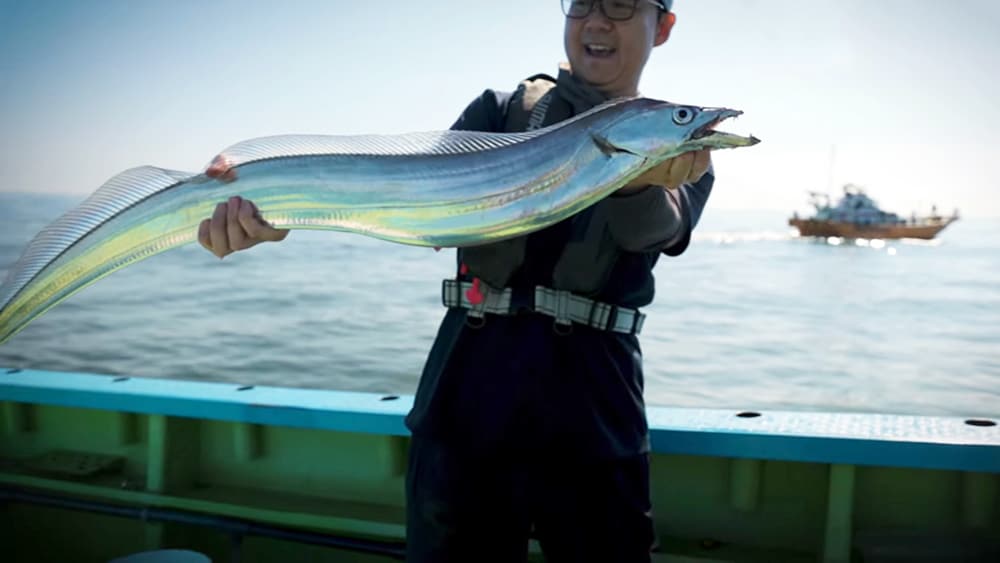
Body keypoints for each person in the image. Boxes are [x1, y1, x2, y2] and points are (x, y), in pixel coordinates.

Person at [198, 2, 714, 561]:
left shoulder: (681, 142)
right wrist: (282, 213)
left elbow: (658, 231)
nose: (595, 20)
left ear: (662, 26)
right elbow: (416, 202)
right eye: (581, 2)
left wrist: (633, 177)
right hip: (470, 388)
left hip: (596, 408)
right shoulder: (502, 111)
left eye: (619, 4)